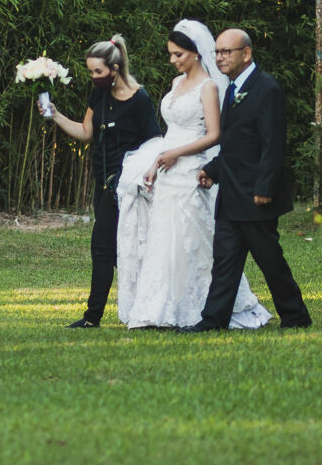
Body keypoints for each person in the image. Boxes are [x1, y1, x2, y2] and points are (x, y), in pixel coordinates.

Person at [114, 20, 270, 329]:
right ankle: (160, 308)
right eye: (171, 54)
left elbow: (214, 135)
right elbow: (171, 131)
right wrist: (155, 163)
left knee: (193, 240)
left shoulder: (209, 87)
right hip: (168, 169)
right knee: (164, 239)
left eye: (179, 54)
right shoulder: (175, 84)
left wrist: (177, 154)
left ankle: (204, 306)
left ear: (197, 54)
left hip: (190, 170)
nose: (173, 60)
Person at [182, 28, 312, 331]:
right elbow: (237, 143)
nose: (220, 57)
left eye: (226, 51)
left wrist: (264, 188)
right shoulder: (231, 88)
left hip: (255, 196)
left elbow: (273, 143)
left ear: (246, 53)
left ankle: (295, 316)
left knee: (270, 261)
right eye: (217, 51)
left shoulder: (266, 88)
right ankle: (213, 321)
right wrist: (212, 171)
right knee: (225, 262)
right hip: (231, 194)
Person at [42, 34, 157, 328]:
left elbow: (155, 143)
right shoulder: (100, 95)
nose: (94, 77)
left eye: (98, 72)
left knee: (124, 249)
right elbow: (86, 132)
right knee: (105, 250)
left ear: (115, 69)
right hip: (103, 184)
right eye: (91, 71)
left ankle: (126, 311)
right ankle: (95, 317)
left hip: (130, 187)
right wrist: (55, 115)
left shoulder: (140, 100)